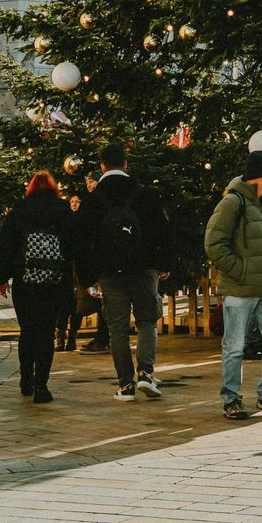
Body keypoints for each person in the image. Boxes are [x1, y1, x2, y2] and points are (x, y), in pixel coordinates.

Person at [207, 149, 262, 416]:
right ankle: (231, 398)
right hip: (240, 289)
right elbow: (214, 244)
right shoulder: (233, 202)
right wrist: (241, 271)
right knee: (234, 346)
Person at [85, 144, 168, 402]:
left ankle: (125, 385)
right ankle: (145, 373)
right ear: (125, 164)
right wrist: (162, 263)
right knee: (146, 321)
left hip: (109, 272)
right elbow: (161, 229)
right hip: (143, 269)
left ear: (102, 166)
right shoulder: (144, 193)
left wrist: (89, 276)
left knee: (117, 327)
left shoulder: (94, 198)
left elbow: (81, 239)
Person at [0, 171, 74, 403]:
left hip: (24, 279)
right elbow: (72, 244)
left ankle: (26, 379)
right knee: (46, 331)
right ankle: (42, 387)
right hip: (54, 280)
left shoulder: (19, 210)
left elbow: (5, 245)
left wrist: (1, 278)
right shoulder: (62, 209)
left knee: (27, 329)